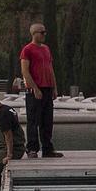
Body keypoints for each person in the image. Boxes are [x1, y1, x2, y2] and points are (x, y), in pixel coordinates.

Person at [19, 21, 62, 158]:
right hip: (35, 90)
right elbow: (25, 72)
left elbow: (50, 69)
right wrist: (35, 88)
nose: (44, 34)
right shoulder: (27, 50)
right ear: (34, 34)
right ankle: (32, 149)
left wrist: (54, 87)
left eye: (45, 32)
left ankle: (47, 149)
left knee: (47, 120)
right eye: (42, 32)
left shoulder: (46, 49)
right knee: (33, 121)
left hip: (47, 88)